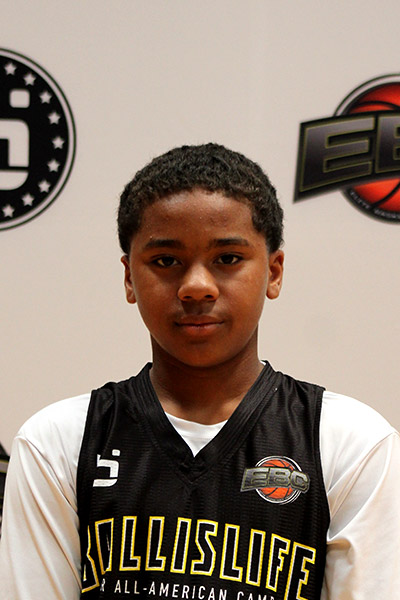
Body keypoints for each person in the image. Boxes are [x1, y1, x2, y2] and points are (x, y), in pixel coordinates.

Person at [0, 143, 399, 600]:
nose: (195, 286)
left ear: (273, 272)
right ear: (129, 277)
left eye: (227, 259)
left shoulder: (350, 442)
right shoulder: (58, 443)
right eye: (166, 261)